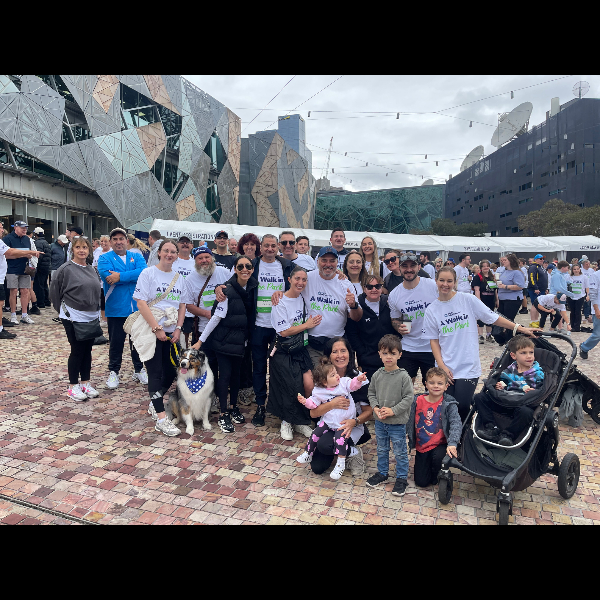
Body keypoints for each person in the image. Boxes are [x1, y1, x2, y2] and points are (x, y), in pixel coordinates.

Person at [422, 266, 535, 421]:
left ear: (455, 282)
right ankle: (452, 435)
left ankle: (465, 433)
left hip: (468, 365)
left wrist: (519, 328)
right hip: (446, 365)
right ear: (436, 281)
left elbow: (492, 317)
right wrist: (441, 365)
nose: (445, 284)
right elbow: (433, 340)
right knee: (446, 406)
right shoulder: (432, 309)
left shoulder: (467, 299)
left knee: (462, 405)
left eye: (449, 281)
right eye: (442, 280)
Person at [192, 255, 257, 433]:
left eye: (248, 266)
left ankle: (233, 406)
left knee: (236, 376)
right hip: (223, 341)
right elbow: (215, 318)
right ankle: (223, 413)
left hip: (240, 342)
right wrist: (200, 341)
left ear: (252, 269)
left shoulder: (253, 288)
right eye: (240, 266)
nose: (245, 270)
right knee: (225, 376)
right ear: (234, 269)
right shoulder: (226, 291)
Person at [134, 240, 186, 437]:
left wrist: (178, 328)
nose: (169, 254)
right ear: (159, 253)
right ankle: (162, 419)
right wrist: (156, 328)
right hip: (152, 330)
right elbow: (141, 303)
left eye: (173, 251)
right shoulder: (148, 273)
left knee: (173, 370)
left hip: (172, 333)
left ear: (177, 255)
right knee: (155, 373)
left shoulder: (179, 278)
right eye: (166, 251)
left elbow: (182, 305)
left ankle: (154, 402)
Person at [304, 337, 373, 476]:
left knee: (326, 445)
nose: (340, 355)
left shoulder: (359, 379)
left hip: (350, 425)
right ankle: (346, 450)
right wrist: (332, 404)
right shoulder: (322, 379)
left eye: (343, 351)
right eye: (335, 352)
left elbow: (369, 411)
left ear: (350, 354)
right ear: (328, 356)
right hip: (329, 424)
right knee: (317, 468)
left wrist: (354, 422)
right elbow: (313, 414)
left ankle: (353, 452)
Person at [268, 266, 319, 440]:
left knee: (308, 384)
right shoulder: (279, 301)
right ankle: (287, 421)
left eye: (304, 280)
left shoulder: (304, 298)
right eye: (297, 278)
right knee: (290, 385)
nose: (301, 282)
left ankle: (301, 420)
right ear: (289, 280)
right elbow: (283, 331)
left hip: (300, 348)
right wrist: (307, 325)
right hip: (284, 349)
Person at [297, 359, 368, 480]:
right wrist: (305, 401)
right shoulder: (319, 390)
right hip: (328, 422)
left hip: (343, 422)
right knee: (315, 434)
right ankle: (308, 453)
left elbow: (353, 385)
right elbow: (313, 404)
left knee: (340, 441)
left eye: (336, 373)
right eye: (333, 375)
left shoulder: (343, 383)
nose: (337, 376)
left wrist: (358, 380)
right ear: (324, 382)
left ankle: (341, 463)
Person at [49, 236, 102, 400]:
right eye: (78, 247)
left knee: (87, 350)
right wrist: (62, 310)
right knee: (77, 350)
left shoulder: (92, 269)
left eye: (84, 247)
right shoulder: (65, 269)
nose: (81, 250)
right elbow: (54, 291)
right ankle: (73, 386)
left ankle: (85, 382)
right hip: (72, 315)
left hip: (90, 315)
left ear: (89, 249)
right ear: (72, 249)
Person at [98, 228, 148, 390]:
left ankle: (139, 369)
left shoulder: (137, 256)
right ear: (111, 242)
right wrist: (130, 275)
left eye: (121, 239)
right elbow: (107, 276)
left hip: (136, 307)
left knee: (137, 341)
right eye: (115, 239)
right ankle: (114, 371)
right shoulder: (104, 258)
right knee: (116, 342)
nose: (118, 242)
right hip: (116, 307)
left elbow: (143, 273)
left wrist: (120, 276)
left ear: (127, 241)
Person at [183, 246, 231, 409]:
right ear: (195, 261)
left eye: (207, 257)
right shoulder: (190, 279)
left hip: (224, 329)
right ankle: (211, 398)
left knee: (224, 367)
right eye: (200, 258)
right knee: (207, 367)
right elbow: (189, 305)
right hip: (203, 329)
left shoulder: (224, 272)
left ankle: (224, 398)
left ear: (212, 258)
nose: (204, 261)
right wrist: (206, 313)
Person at [366, 335, 413, 496]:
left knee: (400, 451)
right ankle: (382, 473)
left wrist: (394, 410)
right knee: (382, 449)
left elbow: (409, 398)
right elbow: (371, 393)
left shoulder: (403, 376)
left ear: (400, 355)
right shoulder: (377, 375)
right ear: (379, 354)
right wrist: (375, 407)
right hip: (380, 422)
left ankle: (401, 478)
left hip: (397, 423)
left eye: (393, 353)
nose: (389, 357)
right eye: (385, 353)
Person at [475, 336, 544, 446]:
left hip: (521, 404)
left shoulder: (538, 373)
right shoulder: (509, 369)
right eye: (523, 353)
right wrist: (499, 386)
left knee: (527, 413)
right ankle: (491, 427)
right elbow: (504, 381)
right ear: (513, 355)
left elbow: (541, 389)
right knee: (479, 397)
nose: (529, 356)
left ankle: (508, 435)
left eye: (531, 352)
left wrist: (533, 391)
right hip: (504, 400)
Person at [300, 246, 363, 367]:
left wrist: (353, 305)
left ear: (337, 263)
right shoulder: (307, 278)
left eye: (332, 261)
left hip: (337, 343)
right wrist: (279, 293)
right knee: (316, 377)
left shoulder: (345, 284)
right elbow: (292, 287)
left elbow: (356, 317)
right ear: (317, 261)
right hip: (313, 342)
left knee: (338, 377)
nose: (328, 264)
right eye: (324, 260)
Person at [388, 252, 439, 385]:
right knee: (404, 387)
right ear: (399, 268)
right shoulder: (394, 294)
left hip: (432, 346)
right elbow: (395, 319)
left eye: (412, 266)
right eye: (405, 266)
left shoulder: (432, 285)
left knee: (433, 386)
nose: (409, 269)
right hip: (409, 346)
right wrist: (399, 327)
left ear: (419, 267)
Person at [407, 367, 461, 488]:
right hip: (422, 446)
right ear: (426, 384)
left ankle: (439, 470)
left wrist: (452, 443)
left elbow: (456, 423)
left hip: (440, 445)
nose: (436, 386)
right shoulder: (416, 401)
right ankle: (429, 469)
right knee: (421, 482)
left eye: (440, 383)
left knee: (437, 466)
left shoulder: (449, 404)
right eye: (432, 383)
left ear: (446, 386)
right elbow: (405, 415)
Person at [345, 273, 399, 378]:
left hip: (389, 357)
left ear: (381, 288)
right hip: (368, 359)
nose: (374, 289)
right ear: (364, 288)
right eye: (370, 287)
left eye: (377, 286)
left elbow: (397, 323)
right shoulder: (358, 305)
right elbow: (351, 332)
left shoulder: (389, 302)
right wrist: (361, 352)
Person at [0, 221, 40, 340]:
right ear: (15, 228)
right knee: (13, 291)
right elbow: (6, 254)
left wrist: (30, 257)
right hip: (12, 269)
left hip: (25, 269)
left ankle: (24, 314)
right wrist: (25, 254)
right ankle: (13, 315)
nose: (24, 229)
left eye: (26, 228)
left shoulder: (27, 239)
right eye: (22, 228)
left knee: (25, 291)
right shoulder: (7, 239)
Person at [171, 235, 196, 347]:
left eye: (187, 242)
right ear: (177, 245)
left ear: (192, 246)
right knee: (172, 333)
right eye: (182, 242)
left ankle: (184, 353)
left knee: (186, 335)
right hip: (173, 303)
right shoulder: (172, 261)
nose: (185, 244)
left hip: (189, 305)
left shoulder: (195, 262)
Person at [471, 259, 498, 343]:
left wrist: (497, 300)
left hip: (491, 299)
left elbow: (495, 290)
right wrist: (478, 301)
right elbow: (477, 290)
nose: (486, 268)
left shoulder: (492, 277)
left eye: (487, 266)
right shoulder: (477, 277)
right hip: (482, 299)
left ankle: (489, 335)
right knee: (480, 317)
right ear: (481, 268)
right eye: (484, 266)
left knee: (490, 317)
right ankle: (480, 335)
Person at [497, 254, 526, 325]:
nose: (503, 262)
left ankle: (512, 332)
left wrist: (505, 286)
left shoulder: (517, 272)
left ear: (511, 261)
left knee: (508, 320)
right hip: (502, 298)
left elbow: (520, 286)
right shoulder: (505, 271)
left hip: (512, 299)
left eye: (505, 260)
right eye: (502, 260)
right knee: (501, 320)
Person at [579, 266, 600, 359]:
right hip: (598, 308)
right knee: (597, 334)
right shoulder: (596, 275)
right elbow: (593, 294)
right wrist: (596, 309)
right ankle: (584, 347)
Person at [32, 227, 51, 310]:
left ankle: (41, 302)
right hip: (46, 266)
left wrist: (36, 267)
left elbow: (38, 256)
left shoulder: (37, 243)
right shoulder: (46, 242)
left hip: (40, 267)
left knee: (39, 285)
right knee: (44, 285)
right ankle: (47, 301)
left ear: (35, 234)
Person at [527, 254, 548, 326]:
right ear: (535, 260)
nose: (542, 260)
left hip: (541, 289)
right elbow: (532, 278)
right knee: (534, 305)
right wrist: (535, 288)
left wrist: (545, 288)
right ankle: (533, 321)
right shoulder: (533, 267)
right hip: (535, 289)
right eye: (540, 259)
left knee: (539, 305)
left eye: (543, 259)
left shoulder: (540, 267)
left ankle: (536, 320)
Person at [568, 263, 589, 332]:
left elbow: (587, 287)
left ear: (580, 269)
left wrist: (588, 295)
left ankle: (577, 326)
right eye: (574, 269)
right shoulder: (569, 277)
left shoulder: (584, 277)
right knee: (572, 311)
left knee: (578, 311)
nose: (576, 270)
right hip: (571, 296)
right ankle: (572, 325)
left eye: (577, 269)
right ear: (572, 270)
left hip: (580, 296)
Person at [580, 256, 595, 323]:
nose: (588, 265)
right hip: (583, 288)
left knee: (591, 301)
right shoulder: (581, 270)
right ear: (583, 265)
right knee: (586, 302)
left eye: (589, 264)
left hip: (591, 287)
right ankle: (586, 315)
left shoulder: (591, 270)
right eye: (586, 264)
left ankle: (590, 314)